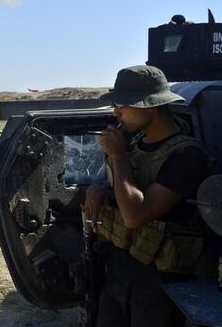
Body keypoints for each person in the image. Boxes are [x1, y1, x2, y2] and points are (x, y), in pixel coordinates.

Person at [83, 65, 209, 327]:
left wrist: (118, 157)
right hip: (119, 269)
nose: (117, 112)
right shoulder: (134, 143)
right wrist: (101, 189)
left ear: (150, 106)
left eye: (124, 105)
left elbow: (135, 216)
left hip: (159, 281)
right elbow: (128, 189)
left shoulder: (186, 156)